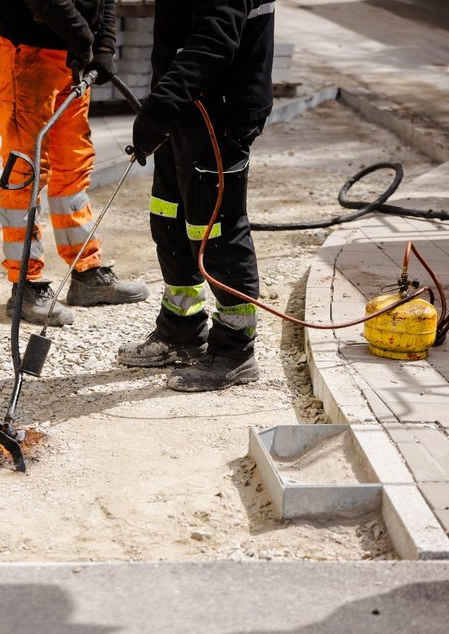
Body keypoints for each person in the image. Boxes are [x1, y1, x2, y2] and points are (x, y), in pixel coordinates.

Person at [118, 0, 276, 391]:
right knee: (169, 217)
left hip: (220, 113)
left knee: (216, 230)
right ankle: (181, 330)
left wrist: (162, 105)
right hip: (187, 108)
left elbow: (215, 38)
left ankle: (235, 351)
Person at [0, 0, 149, 326]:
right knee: (25, 168)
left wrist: (104, 44)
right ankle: (25, 286)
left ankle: (86, 272)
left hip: (68, 50)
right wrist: (84, 39)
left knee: (73, 161)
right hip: (22, 46)